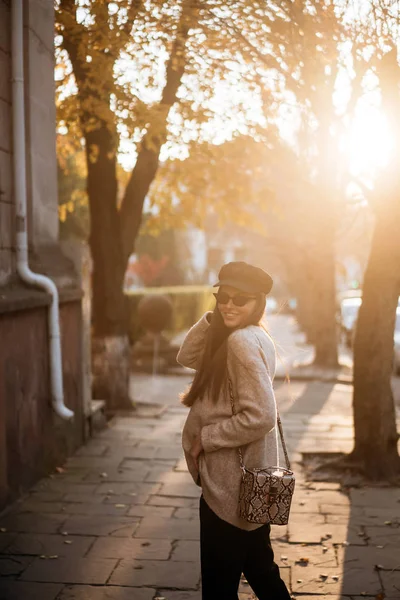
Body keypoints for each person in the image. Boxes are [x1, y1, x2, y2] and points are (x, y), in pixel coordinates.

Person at [177, 261, 291, 600]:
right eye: (223, 296)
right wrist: (215, 320)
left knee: (219, 587)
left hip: (230, 484)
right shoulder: (251, 335)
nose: (229, 304)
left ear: (258, 302)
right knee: (261, 571)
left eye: (240, 299)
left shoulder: (241, 342)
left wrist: (205, 440)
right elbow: (187, 356)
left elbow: (260, 415)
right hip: (247, 484)